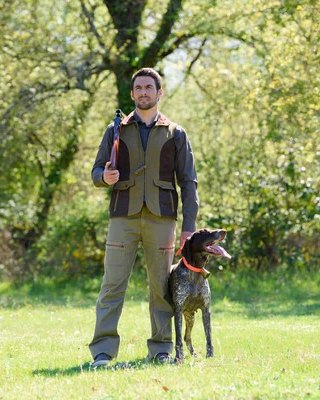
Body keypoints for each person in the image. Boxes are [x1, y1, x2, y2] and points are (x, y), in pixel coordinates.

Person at [89, 67, 199, 366]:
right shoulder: (116, 130)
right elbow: (96, 171)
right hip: (122, 217)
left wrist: (189, 226)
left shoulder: (176, 133)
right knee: (112, 285)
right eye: (138, 88)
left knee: (161, 288)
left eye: (149, 87)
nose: (143, 92)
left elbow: (188, 182)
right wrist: (105, 178)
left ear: (159, 92)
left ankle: (161, 349)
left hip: (162, 219)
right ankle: (102, 352)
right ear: (132, 93)